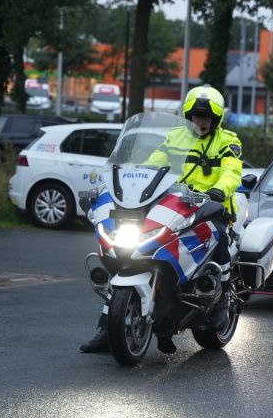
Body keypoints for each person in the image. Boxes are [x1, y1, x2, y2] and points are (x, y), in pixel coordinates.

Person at [81, 85, 244, 355]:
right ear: (188, 115)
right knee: (129, 253)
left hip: (210, 206)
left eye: (206, 117)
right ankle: (106, 327)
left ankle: (222, 302)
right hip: (174, 204)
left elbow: (232, 171)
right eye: (196, 115)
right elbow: (154, 163)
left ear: (215, 119)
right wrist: (135, 176)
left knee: (220, 242)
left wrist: (219, 191)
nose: (200, 121)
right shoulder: (175, 136)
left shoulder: (227, 141)